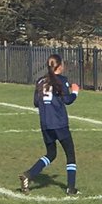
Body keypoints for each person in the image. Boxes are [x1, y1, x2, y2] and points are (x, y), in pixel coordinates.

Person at [19, 54, 80, 196]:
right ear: (59, 66)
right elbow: (67, 100)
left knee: (51, 153)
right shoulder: (62, 80)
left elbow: (36, 102)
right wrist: (75, 92)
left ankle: (28, 174)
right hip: (59, 123)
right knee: (70, 155)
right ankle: (71, 188)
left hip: (45, 124)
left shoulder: (40, 81)